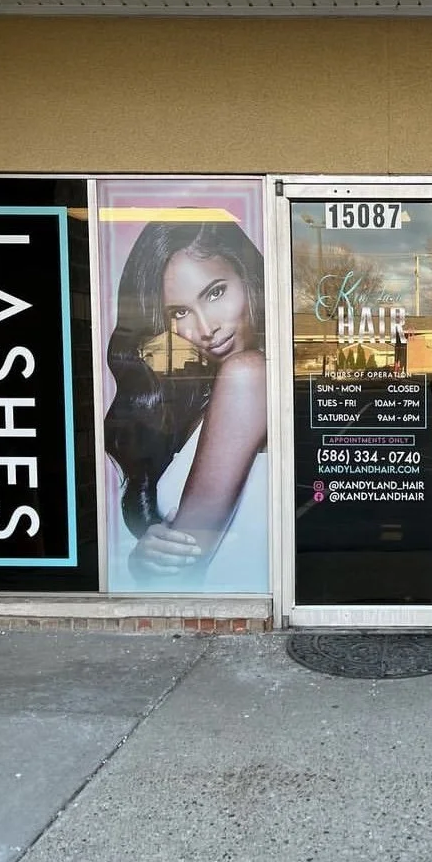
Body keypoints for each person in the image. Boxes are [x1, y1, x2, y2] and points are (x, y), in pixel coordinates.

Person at [104, 221, 268, 592]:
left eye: (215, 292)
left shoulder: (247, 374)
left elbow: (180, 569)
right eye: (179, 313)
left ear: (249, 279)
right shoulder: (214, 388)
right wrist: (149, 554)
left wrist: (145, 567)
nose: (206, 328)